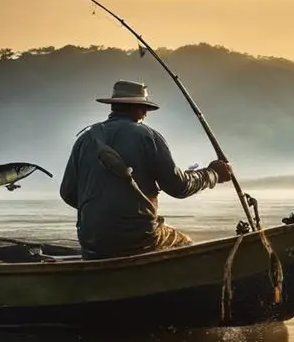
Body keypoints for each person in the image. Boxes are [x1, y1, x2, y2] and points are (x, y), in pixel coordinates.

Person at [59, 80, 234, 259]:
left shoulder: (85, 139)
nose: (145, 114)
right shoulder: (147, 136)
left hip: (91, 240)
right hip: (139, 239)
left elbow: (68, 193)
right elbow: (179, 187)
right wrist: (213, 174)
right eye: (144, 109)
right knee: (184, 243)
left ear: (113, 106)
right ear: (139, 109)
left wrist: (101, 213)